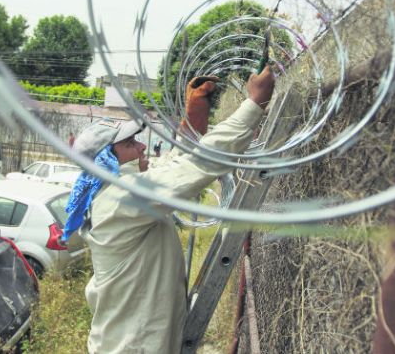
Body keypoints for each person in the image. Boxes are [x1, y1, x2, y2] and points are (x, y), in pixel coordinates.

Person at [62, 67, 275, 353]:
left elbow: (171, 166)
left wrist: (192, 122)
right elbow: (191, 169)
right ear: (106, 161)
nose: (141, 147)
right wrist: (253, 104)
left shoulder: (112, 191)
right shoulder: (122, 198)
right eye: (129, 144)